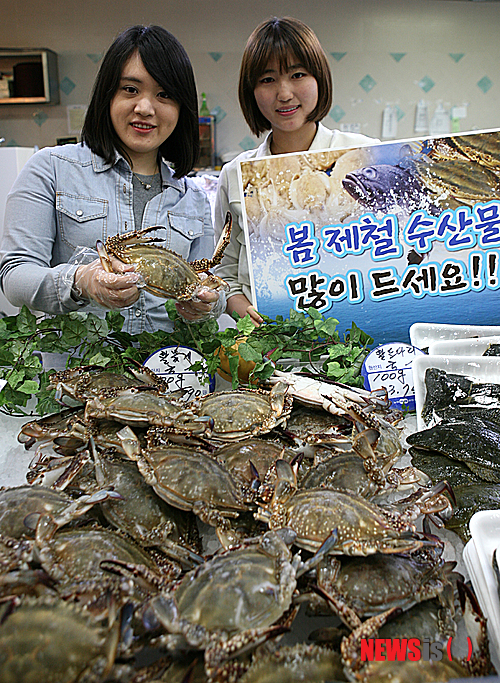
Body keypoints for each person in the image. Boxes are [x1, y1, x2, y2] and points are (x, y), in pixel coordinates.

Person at [0, 24, 224, 333]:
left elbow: (208, 280)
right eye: (130, 89)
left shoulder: (192, 197)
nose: (145, 107)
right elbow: (14, 276)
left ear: (180, 107)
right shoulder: (51, 168)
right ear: (108, 94)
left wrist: (209, 302)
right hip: (75, 371)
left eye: (164, 94)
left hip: (165, 371)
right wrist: (82, 281)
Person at [214, 16, 378, 325]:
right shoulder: (235, 175)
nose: (284, 93)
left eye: (298, 74)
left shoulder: (364, 154)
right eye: (267, 80)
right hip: (270, 344)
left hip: (358, 331)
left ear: (319, 79)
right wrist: (243, 310)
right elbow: (223, 271)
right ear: (251, 91)